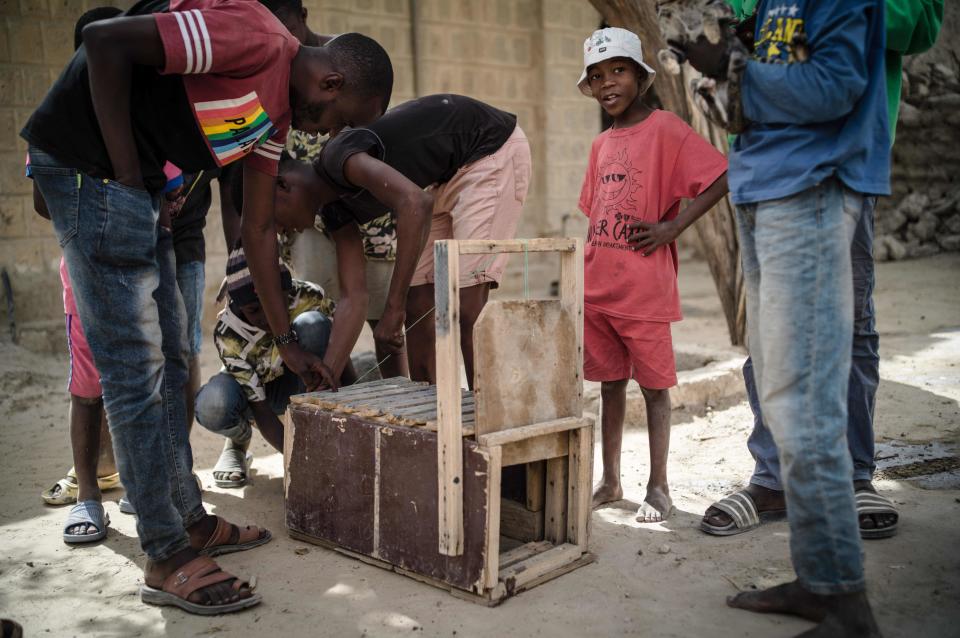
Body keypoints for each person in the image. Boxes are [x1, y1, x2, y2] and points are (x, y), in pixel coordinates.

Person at [21, 0, 393, 614]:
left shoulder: (273, 121)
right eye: (332, 120)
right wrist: (128, 177)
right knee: (133, 370)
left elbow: (259, 228)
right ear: (330, 82)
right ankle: (165, 554)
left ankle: (188, 519)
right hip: (89, 172)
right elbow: (106, 42)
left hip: (133, 182)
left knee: (172, 359)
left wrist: (286, 342)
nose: (323, 133)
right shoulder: (257, 38)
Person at [701, 0, 942, 541]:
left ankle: (852, 474)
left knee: (846, 321)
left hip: (833, 163)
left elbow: (921, 23)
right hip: (762, 162)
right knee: (768, 328)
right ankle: (775, 478)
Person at [684, 1, 890, 634]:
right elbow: (753, 100)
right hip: (763, 189)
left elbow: (835, 85)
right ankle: (819, 579)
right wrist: (719, 77)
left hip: (813, 187)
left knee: (804, 399)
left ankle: (844, 603)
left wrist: (739, 73)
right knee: (781, 391)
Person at [575, 28, 728, 523]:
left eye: (618, 70)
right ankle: (611, 479)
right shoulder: (601, 144)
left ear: (641, 76)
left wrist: (673, 226)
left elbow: (722, 175)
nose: (607, 83)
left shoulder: (665, 128)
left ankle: (659, 487)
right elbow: (594, 212)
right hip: (598, 288)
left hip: (643, 291)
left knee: (655, 389)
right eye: (596, 76)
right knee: (610, 385)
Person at [273, 94, 530, 387]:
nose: (281, 231)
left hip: (488, 151)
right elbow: (354, 297)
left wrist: (392, 309)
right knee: (417, 302)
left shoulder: (336, 158)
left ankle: (487, 418)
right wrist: (328, 372)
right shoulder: (334, 212)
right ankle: (432, 416)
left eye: (275, 220)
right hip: (441, 180)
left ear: (283, 186)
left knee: (468, 306)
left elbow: (415, 204)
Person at [195, 242, 334, 487]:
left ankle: (317, 428)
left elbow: (334, 345)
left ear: (286, 290)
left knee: (313, 324)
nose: (266, 315)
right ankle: (238, 443)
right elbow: (261, 410)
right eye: (253, 310)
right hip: (256, 397)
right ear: (238, 306)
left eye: (275, 301)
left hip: (298, 382)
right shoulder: (228, 334)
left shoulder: (307, 296)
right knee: (212, 404)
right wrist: (303, 460)